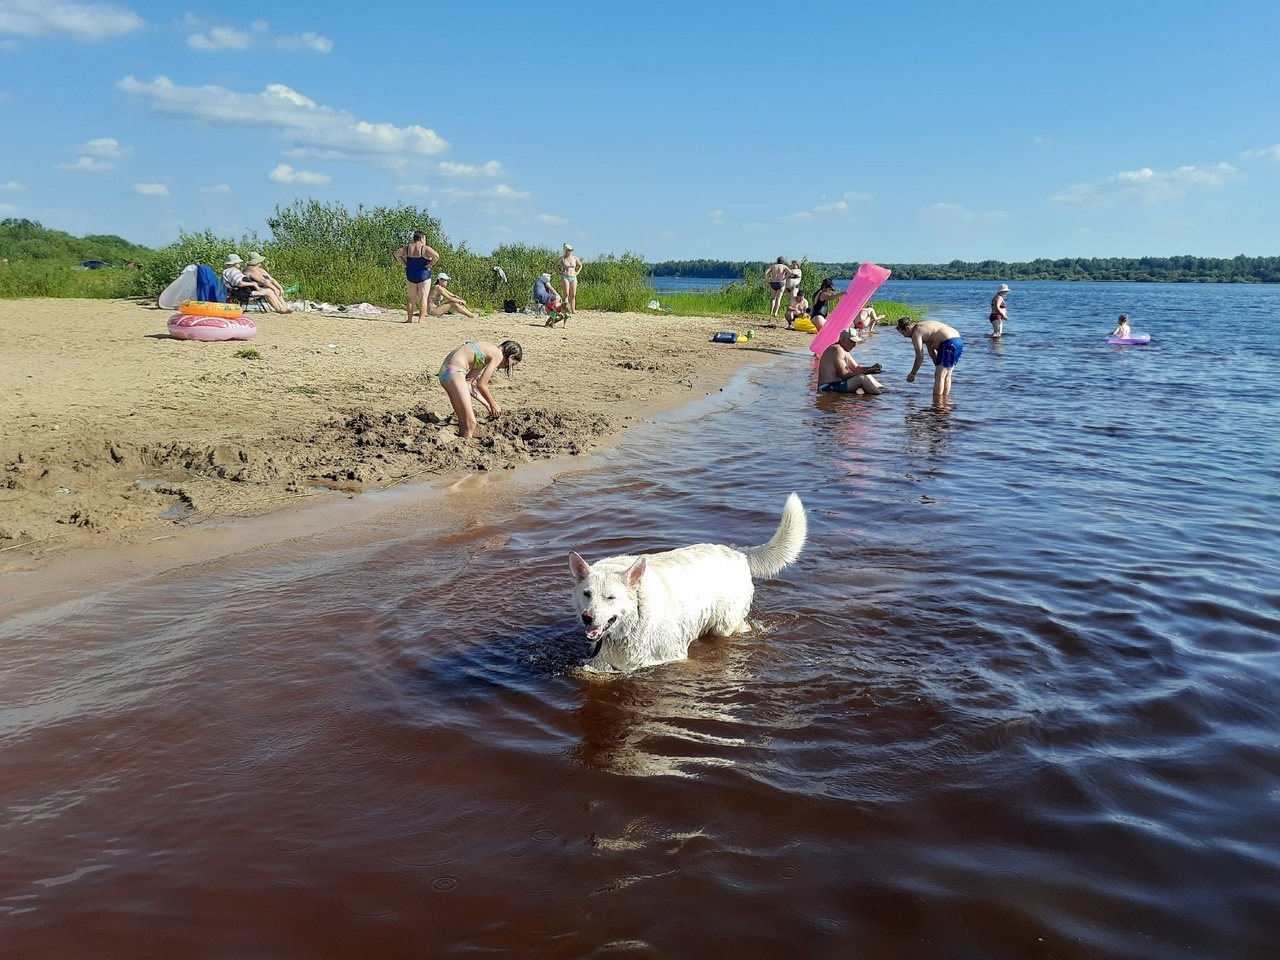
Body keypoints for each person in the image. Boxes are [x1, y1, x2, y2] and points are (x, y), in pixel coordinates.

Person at [436, 339, 522, 439]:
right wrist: (493, 404)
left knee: (464, 423)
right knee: (471, 423)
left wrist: (487, 405)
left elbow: (468, 384)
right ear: (511, 356)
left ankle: (460, 443)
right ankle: (465, 451)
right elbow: (482, 385)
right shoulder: (498, 354)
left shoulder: (485, 351)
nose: (507, 367)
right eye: (513, 364)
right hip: (455, 372)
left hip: (446, 372)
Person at [897, 317, 963, 400]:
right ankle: (945, 401)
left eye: (903, 333)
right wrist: (937, 365)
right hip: (958, 340)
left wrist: (912, 374)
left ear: (908, 328)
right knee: (947, 375)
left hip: (948, 343)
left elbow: (920, 357)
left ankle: (937, 404)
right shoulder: (925, 328)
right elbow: (931, 350)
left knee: (939, 376)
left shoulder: (916, 333)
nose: (904, 336)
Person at [816, 328, 885, 395]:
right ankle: (881, 397)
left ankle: (884, 391)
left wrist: (871, 368)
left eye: (855, 342)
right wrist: (866, 372)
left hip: (837, 384)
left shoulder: (844, 350)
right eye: (852, 342)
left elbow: (856, 368)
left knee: (868, 376)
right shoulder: (837, 349)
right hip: (826, 387)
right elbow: (844, 375)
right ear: (843, 339)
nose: (854, 345)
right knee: (861, 378)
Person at [394, 231, 440, 323]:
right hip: (423, 274)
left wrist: (405, 263)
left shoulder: (407, 248)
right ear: (422, 238)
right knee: (423, 297)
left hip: (411, 273)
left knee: (411, 298)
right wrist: (430, 264)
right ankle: (421, 319)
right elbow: (436, 256)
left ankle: (409, 319)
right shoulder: (425, 248)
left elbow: (396, 254)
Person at [222, 254, 291, 313]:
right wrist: (253, 284)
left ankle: (282, 308)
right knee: (269, 292)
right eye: (238, 262)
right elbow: (240, 283)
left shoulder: (230, 271)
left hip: (242, 292)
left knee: (269, 291)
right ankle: (280, 309)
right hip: (241, 294)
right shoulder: (232, 271)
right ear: (235, 263)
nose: (239, 264)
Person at [556, 243, 583, 314]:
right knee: (566, 294)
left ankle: (573, 309)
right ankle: (565, 309)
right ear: (566, 250)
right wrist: (559, 272)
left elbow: (580, 265)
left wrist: (577, 272)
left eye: (571, 250)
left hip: (573, 277)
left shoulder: (575, 258)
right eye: (569, 250)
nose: (570, 251)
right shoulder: (563, 258)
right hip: (565, 277)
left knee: (573, 294)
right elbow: (555, 266)